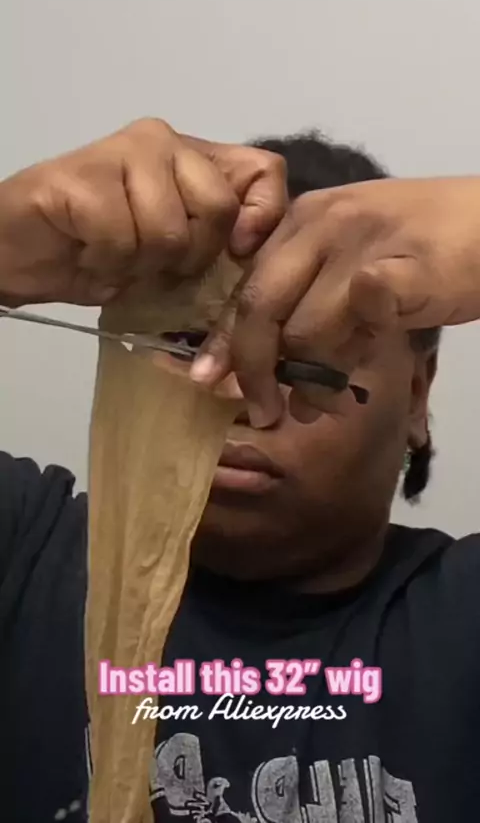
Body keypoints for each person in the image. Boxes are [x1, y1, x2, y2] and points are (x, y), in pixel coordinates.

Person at [1, 118, 480, 823]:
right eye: (186, 340)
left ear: (415, 394)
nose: (233, 393)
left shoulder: (461, 620)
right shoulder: (22, 551)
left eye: (306, 363)